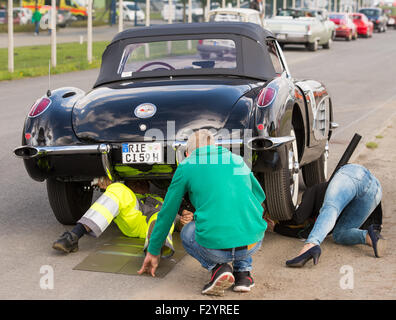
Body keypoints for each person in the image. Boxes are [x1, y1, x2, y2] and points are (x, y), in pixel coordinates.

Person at [138, 130, 267, 296]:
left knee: (187, 231)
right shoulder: (237, 160)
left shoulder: (187, 166)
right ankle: (244, 274)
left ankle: (218, 268)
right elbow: (259, 196)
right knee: (242, 215)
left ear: (187, 153)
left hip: (215, 249)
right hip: (252, 243)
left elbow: (167, 213)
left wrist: (154, 250)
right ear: (215, 147)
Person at [266, 164, 385, 268]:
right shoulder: (326, 224)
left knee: (331, 208)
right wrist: (377, 226)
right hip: (376, 190)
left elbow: (299, 217)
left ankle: (310, 246)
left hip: (353, 172)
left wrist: (278, 226)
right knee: (339, 235)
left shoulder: (312, 191)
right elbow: (309, 231)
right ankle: (370, 237)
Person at [52, 178, 193, 257]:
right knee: (117, 188)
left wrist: (184, 222)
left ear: (150, 185)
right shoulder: (128, 196)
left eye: (143, 181)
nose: (138, 182)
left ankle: (156, 248)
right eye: (133, 182)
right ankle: (73, 236)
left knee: (162, 215)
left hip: (156, 219)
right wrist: (108, 186)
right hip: (134, 217)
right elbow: (116, 194)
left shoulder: (161, 198)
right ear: (129, 185)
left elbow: (177, 221)